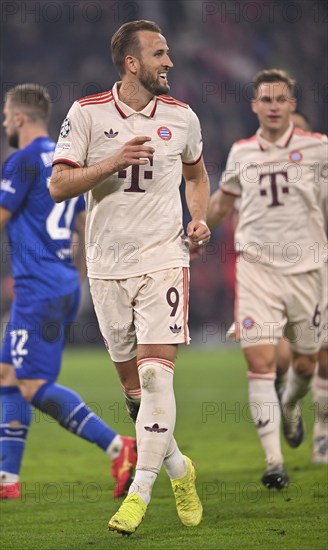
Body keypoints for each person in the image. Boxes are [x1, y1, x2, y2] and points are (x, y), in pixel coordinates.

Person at [50, 20, 210, 535]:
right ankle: (180, 468)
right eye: (159, 54)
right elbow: (58, 185)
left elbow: (197, 173)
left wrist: (198, 216)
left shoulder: (183, 117)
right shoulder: (87, 113)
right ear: (132, 63)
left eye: (168, 53)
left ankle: (140, 493)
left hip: (164, 259)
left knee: (154, 375)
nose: (169, 62)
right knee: (132, 390)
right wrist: (112, 161)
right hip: (105, 266)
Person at [0, 83, 137, 500]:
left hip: (37, 289)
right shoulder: (65, 163)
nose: (5, 123)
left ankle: (119, 447)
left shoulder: (21, 161)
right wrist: (73, 276)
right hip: (60, 284)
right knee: (7, 374)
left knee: (31, 384)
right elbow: (82, 229)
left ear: (20, 118)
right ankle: (7, 480)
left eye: (6, 116)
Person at [207, 69, 327, 488]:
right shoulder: (241, 153)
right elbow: (223, 203)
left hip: (307, 274)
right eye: (266, 100)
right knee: (259, 362)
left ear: (291, 105)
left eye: (281, 99)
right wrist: (196, 228)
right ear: (254, 106)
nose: (273, 106)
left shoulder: (318, 150)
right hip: (256, 271)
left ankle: (292, 406)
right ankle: (274, 462)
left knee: (306, 363)